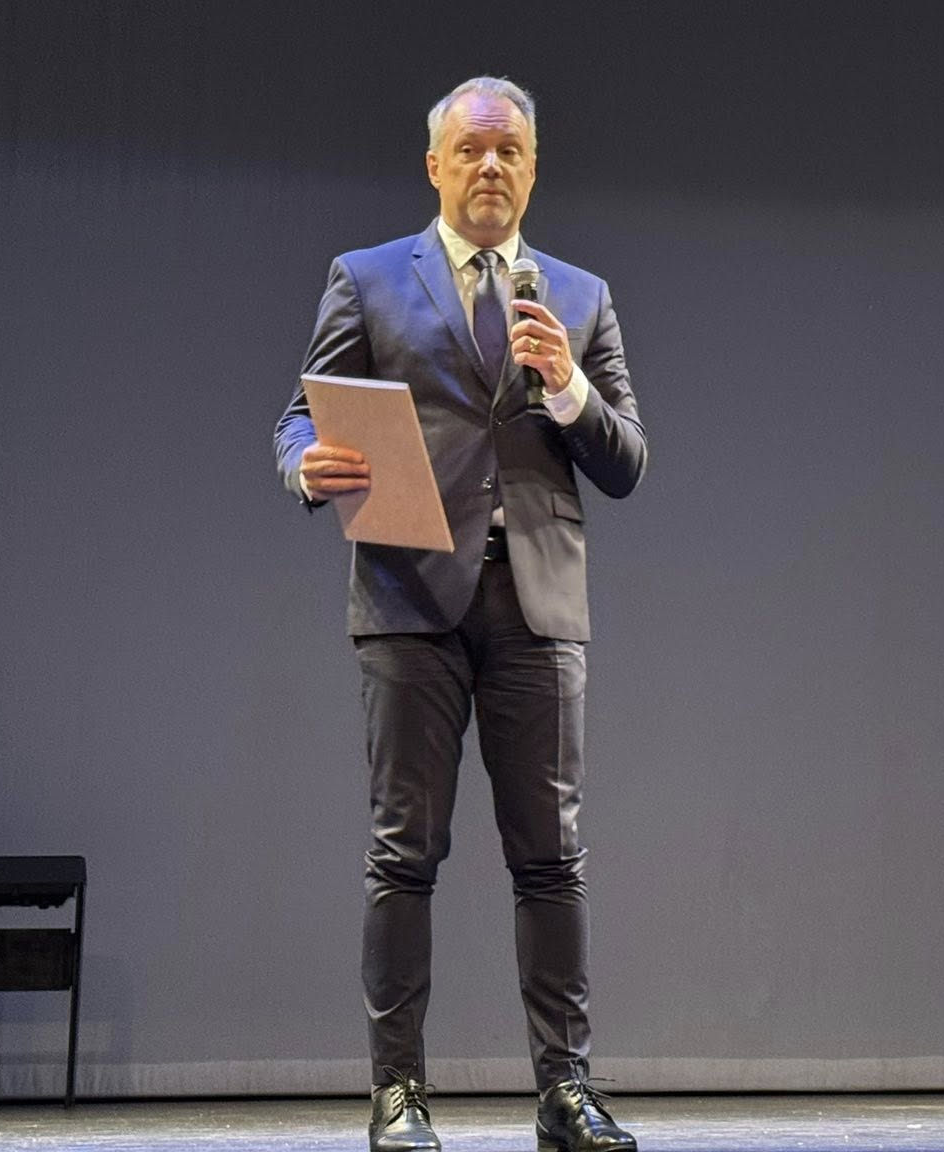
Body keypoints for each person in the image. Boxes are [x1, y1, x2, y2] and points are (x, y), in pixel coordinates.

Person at [274, 76, 647, 1152]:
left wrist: (568, 387)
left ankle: (566, 1093)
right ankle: (398, 1095)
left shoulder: (577, 296)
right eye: (471, 150)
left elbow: (626, 460)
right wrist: (307, 466)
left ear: (532, 169)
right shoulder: (365, 279)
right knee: (404, 854)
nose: (490, 166)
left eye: (509, 151)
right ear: (435, 165)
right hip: (408, 597)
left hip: (536, 602)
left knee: (551, 859)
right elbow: (298, 417)